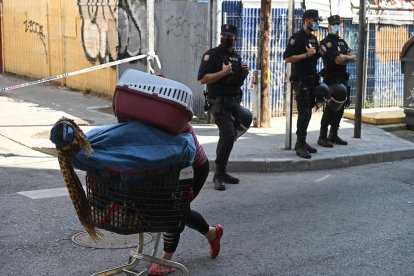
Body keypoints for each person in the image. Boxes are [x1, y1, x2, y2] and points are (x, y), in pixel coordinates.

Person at [147, 123, 223, 276]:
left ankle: (166, 260)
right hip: (168, 167)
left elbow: (177, 129)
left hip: (191, 167)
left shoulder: (170, 111)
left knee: (174, 210)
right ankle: (212, 233)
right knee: (179, 211)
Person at [198, 24, 252, 191]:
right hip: (219, 103)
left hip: (233, 102)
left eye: (230, 36)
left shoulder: (236, 57)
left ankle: (223, 170)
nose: (227, 38)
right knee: (228, 135)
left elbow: (236, 81)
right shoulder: (212, 55)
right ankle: (219, 174)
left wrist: (244, 73)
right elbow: (202, 79)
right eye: (224, 35)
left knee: (247, 118)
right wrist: (222, 73)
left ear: (236, 38)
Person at [283, 9, 327, 159]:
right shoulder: (296, 38)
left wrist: (321, 51)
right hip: (301, 81)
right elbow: (288, 58)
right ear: (307, 20)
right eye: (314, 20)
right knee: (305, 113)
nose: (316, 23)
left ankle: (303, 141)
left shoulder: (314, 38)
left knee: (308, 112)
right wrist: (305, 54)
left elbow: (315, 56)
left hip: (312, 80)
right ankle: (299, 145)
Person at [317, 15, 356, 148]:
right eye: (334, 24)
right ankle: (322, 136)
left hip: (342, 80)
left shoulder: (342, 42)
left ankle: (333, 135)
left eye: (338, 24)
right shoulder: (326, 43)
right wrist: (347, 57)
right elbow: (337, 60)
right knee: (330, 109)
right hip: (331, 81)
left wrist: (347, 57)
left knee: (340, 109)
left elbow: (354, 56)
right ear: (328, 26)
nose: (336, 27)